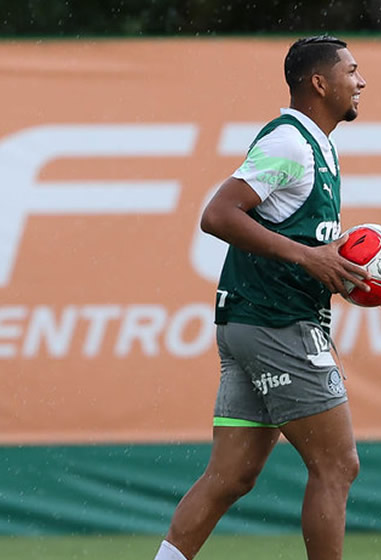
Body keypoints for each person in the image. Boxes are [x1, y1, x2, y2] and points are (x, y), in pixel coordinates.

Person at [153, 35, 369, 560]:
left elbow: (294, 235)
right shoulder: (289, 143)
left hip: (251, 323)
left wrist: (334, 261)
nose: (361, 81)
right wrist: (307, 258)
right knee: (337, 465)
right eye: (352, 70)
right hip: (276, 325)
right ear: (320, 82)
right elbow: (218, 214)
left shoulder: (318, 144)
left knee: (230, 476)